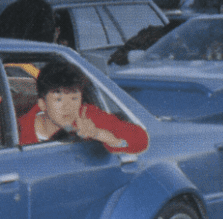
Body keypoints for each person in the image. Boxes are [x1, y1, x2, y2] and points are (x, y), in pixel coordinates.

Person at [18, 60, 149, 153]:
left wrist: (100, 134)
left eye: (74, 98)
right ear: (42, 104)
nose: (68, 107)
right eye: (59, 99)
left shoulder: (86, 116)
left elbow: (140, 139)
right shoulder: (18, 130)